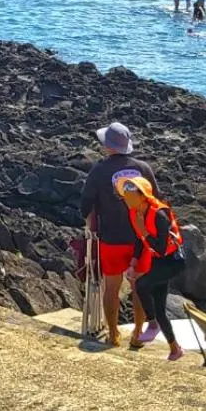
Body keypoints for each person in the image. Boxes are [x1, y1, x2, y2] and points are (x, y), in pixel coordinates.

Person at [79, 122, 158, 348]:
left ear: (107, 145)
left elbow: (85, 203)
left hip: (111, 238)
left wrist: (89, 220)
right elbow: (156, 201)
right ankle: (138, 334)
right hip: (141, 239)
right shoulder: (143, 168)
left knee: (111, 287)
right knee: (140, 288)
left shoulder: (100, 169)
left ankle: (113, 334)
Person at [116, 176, 187, 359]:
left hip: (172, 262)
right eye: (125, 193)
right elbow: (140, 241)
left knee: (141, 285)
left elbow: (161, 249)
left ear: (143, 196)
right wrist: (133, 263)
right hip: (158, 261)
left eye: (131, 193)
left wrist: (145, 231)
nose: (126, 197)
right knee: (160, 309)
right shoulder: (136, 213)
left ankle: (152, 324)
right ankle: (175, 349)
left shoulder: (159, 215)